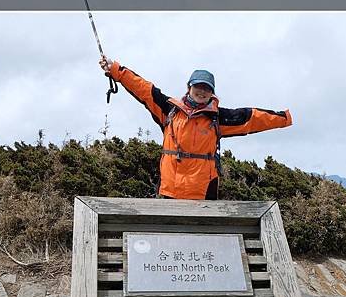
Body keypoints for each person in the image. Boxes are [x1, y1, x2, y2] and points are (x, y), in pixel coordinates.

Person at [99, 56, 293, 200]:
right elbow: (144, 89)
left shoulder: (218, 117)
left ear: (212, 93)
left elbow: (251, 118)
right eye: (198, 86)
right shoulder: (169, 111)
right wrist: (116, 70)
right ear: (189, 87)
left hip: (203, 194)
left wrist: (284, 118)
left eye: (207, 88)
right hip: (169, 191)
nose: (202, 91)